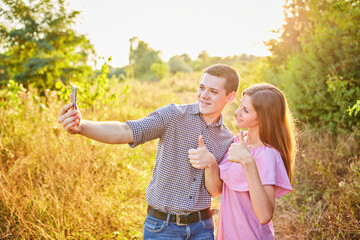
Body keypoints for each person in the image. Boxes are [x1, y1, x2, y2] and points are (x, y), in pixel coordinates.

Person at [58, 64, 240, 239]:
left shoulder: (227, 139)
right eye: (202, 87)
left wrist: (210, 163)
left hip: (203, 228)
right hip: (163, 227)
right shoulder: (173, 115)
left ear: (230, 97)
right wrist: (82, 127)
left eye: (213, 91)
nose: (204, 95)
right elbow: (126, 131)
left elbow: (215, 191)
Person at [189, 83, 296, 239]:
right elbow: (217, 191)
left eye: (246, 110)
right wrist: (210, 163)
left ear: (264, 117)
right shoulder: (238, 141)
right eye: (240, 105)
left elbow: (264, 215)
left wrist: (248, 162)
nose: (238, 112)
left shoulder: (267, 155)